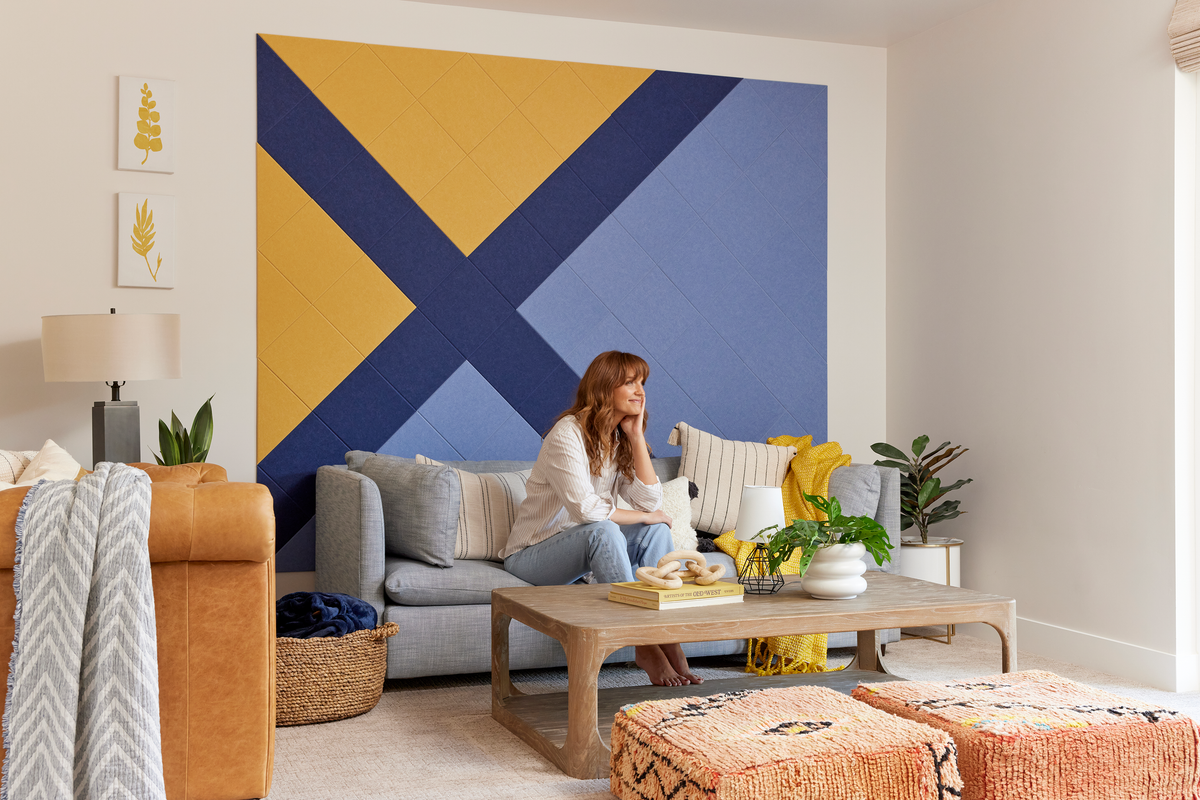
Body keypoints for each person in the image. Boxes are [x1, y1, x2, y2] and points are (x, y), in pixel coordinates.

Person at [501, 351, 703, 687]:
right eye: (629, 382)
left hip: (580, 549)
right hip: (530, 555)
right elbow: (586, 510)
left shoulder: (617, 439)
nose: (640, 390)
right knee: (604, 530)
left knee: (654, 531)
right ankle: (643, 644)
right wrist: (643, 514)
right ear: (605, 388)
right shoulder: (567, 434)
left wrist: (637, 437)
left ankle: (668, 639)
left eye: (642, 383)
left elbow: (650, 500)